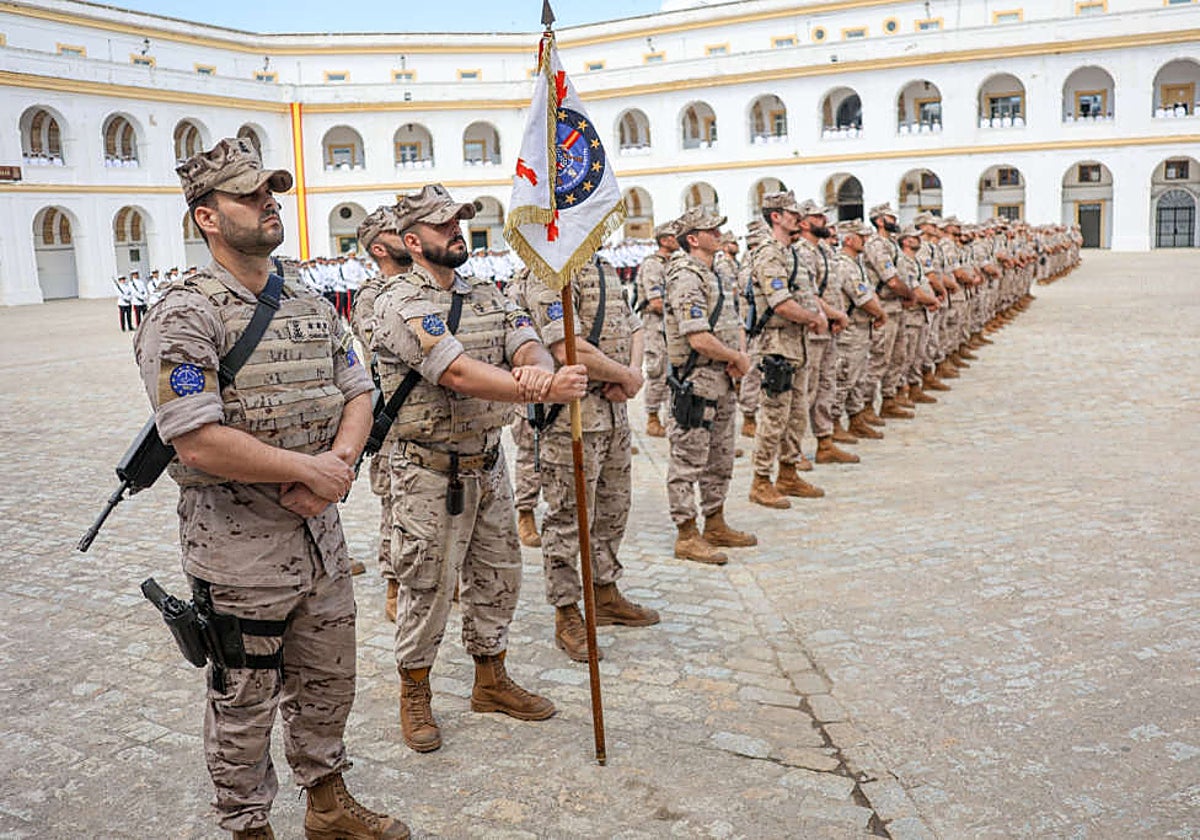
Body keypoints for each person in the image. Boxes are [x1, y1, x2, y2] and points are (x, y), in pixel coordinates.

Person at [133, 137, 407, 840]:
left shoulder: (310, 300)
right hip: (238, 550)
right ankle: (248, 826)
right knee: (244, 699)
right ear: (208, 218)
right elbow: (195, 437)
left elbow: (359, 387)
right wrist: (305, 470)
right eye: (250, 194)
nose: (268, 201)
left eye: (270, 190)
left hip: (319, 533)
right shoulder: (183, 313)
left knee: (328, 680)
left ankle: (327, 803)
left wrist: (335, 467)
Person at [369, 184, 587, 754]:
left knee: (497, 576)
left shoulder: (487, 292)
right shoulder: (400, 301)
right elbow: (457, 372)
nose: (456, 232)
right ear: (413, 242)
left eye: (459, 222)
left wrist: (539, 370)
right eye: (444, 226)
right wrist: (533, 387)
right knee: (427, 585)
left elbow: (527, 342)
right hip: (427, 470)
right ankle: (415, 691)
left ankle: (490, 679)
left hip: (488, 463)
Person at [517, 255, 659, 662]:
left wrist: (629, 374)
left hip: (613, 412)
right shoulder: (550, 269)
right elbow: (566, 346)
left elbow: (634, 326)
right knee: (569, 518)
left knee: (613, 509)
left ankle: (605, 592)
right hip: (572, 417)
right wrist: (623, 376)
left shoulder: (604, 268)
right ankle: (567, 611)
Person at [663, 207, 757, 565]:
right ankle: (687, 533)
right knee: (688, 459)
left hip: (720, 378)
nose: (719, 235)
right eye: (712, 230)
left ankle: (715, 521)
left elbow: (730, 322)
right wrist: (736, 357)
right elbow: (698, 337)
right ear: (693, 238)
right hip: (697, 379)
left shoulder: (713, 271)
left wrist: (736, 357)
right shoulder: (685, 275)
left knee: (719, 456)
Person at [746, 192, 828, 509]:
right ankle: (761, 480)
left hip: (797, 344)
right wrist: (813, 320)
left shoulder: (790, 253)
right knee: (774, 416)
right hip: (776, 344)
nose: (797, 217)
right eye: (790, 212)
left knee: (795, 416)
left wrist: (827, 315)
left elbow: (805, 296)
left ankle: (789, 472)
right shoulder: (769, 254)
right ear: (775, 216)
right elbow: (780, 302)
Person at [351, 205, 413, 621]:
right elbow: (391, 345)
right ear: (379, 246)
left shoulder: (430, 285)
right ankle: (395, 583)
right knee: (396, 503)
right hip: (394, 417)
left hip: (436, 418)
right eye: (396, 230)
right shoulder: (371, 297)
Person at [792, 200, 855, 466]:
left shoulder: (825, 252)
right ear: (804, 223)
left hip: (828, 330)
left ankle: (825, 442)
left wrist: (836, 316)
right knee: (805, 391)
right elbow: (809, 294)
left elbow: (832, 289)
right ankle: (791, 453)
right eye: (818, 217)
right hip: (812, 330)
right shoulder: (802, 252)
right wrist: (836, 314)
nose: (824, 221)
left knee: (827, 386)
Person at [636, 221, 679, 438]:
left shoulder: (678, 262)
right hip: (657, 327)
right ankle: (652, 417)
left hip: (674, 327)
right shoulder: (654, 264)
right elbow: (656, 302)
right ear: (664, 240)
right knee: (658, 371)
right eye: (674, 236)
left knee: (675, 373)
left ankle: (672, 417)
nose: (678, 239)